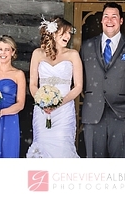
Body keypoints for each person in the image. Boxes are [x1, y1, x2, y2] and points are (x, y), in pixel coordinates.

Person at [80, 2, 125, 158]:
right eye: (106, 16)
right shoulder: (87, 46)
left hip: (123, 115)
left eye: (114, 16)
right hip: (93, 113)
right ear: (101, 20)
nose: (109, 20)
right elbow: (79, 78)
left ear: (121, 21)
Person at [26, 17, 83, 158]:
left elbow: (78, 86)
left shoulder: (73, 55)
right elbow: (33, 84)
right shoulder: (37, 53)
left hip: (64, 111)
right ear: (53, 33)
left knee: (63, 146)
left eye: (69, 33)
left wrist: (58, 103)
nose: (68, 36)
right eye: (64, 32)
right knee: (42, 144)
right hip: (42, 110)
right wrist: (42, 103)